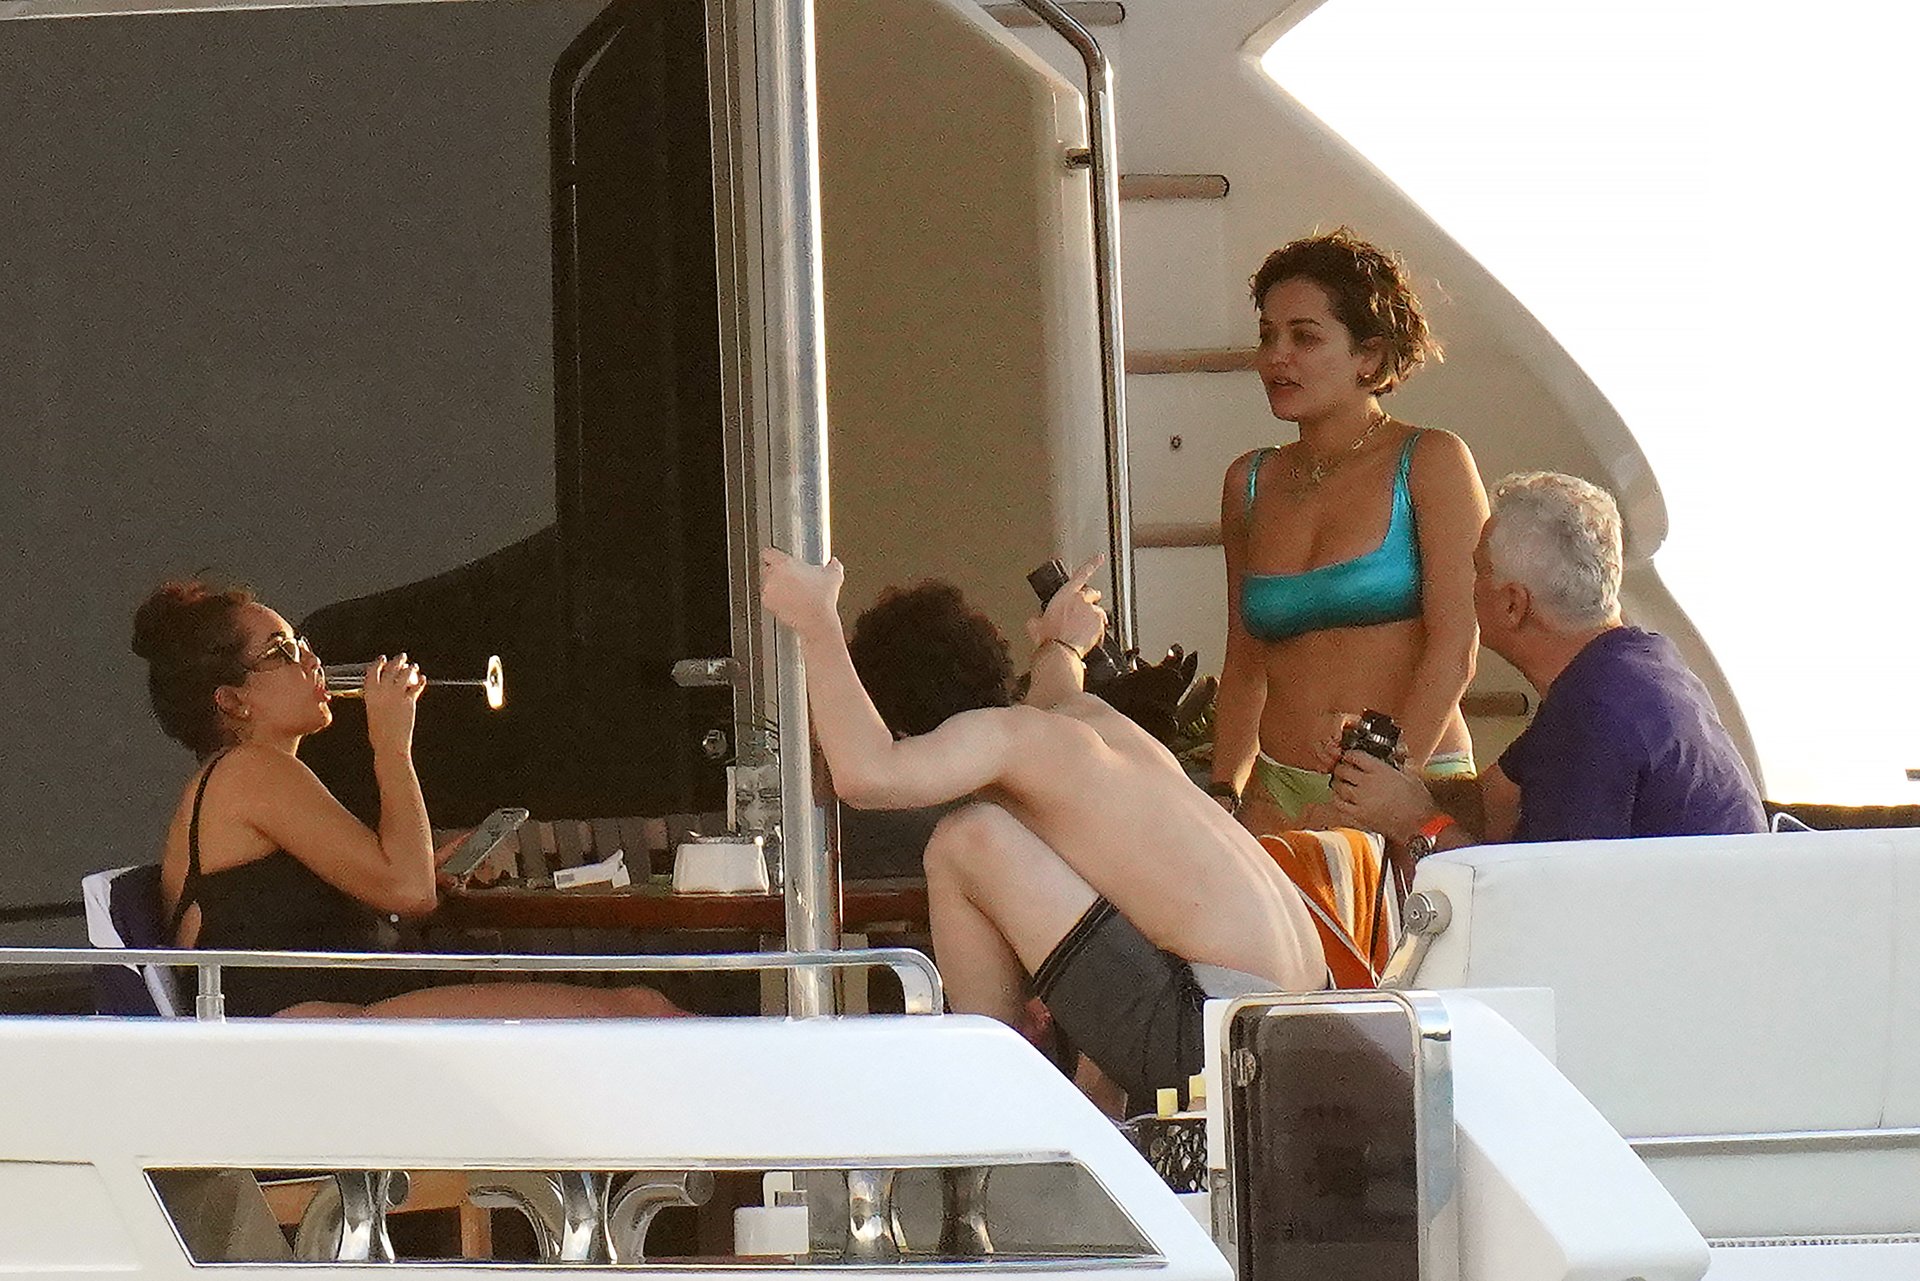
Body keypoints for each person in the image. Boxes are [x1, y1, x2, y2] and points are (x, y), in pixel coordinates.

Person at [761, 549, 1326, 1109]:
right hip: (1316, 1024)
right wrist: (1062, 642)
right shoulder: (1084, 723)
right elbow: (1056, 685)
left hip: (1220, 1040)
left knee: (965, 839)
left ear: (908, 731)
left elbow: (865, 775)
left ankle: (1005, 1114)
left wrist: (816, 621)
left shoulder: (1004, 742)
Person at [132, 579, 681, 1019]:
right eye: (282, 651)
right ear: (232, 701)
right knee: (640, 1011)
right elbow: (408, 892)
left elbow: (387, 887)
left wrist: (426, 868)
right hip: (319, 1041)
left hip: (342, 1025)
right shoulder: (251, 770)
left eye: (303, 643)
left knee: (638, 1009)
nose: (311, 661)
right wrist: (392, 744)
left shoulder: (248, 778)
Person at [1330, 472, 1765, 857]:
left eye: (1479, 571)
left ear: (1513, 605)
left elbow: (1532, 903)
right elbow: (1496, 801)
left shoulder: (1594, 713)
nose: (1470, 585)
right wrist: (1391, 780)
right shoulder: (1635, 663)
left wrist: (1416, 823)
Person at [1212, 228, 1487, 835]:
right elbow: (1245, 661)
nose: (1277, 357)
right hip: (1278, 789)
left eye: (1304, 337)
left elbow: (1456, 647)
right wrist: (1225, 790)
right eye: (1267, 336)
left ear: (1370, 356)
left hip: (1413, 778)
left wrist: (1385, 786)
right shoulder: (1248, 481)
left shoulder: (1431, 460)